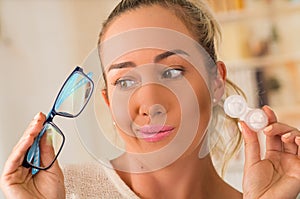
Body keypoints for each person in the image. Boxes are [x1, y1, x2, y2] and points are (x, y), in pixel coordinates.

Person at [1, 0, 300, 198]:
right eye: (125, 81)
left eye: (172, 72)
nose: (150, 105)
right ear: (108, 101)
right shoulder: (66, 193)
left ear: (216, 81)